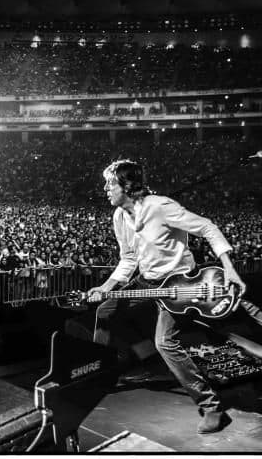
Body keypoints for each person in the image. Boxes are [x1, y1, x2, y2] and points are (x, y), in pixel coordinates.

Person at [86, 159, 246, 434]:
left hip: (178, 284)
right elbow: (128, 259)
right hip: (147, 280)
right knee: (106, 310)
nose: (105, 189)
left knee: (165, 343)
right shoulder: (120, 217)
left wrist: (229, 268)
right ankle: (100, 375)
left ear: (126, 185)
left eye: (110, 183)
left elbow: (207, 227)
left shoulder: (160, 206)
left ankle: (211, 407)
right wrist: (105, 287)